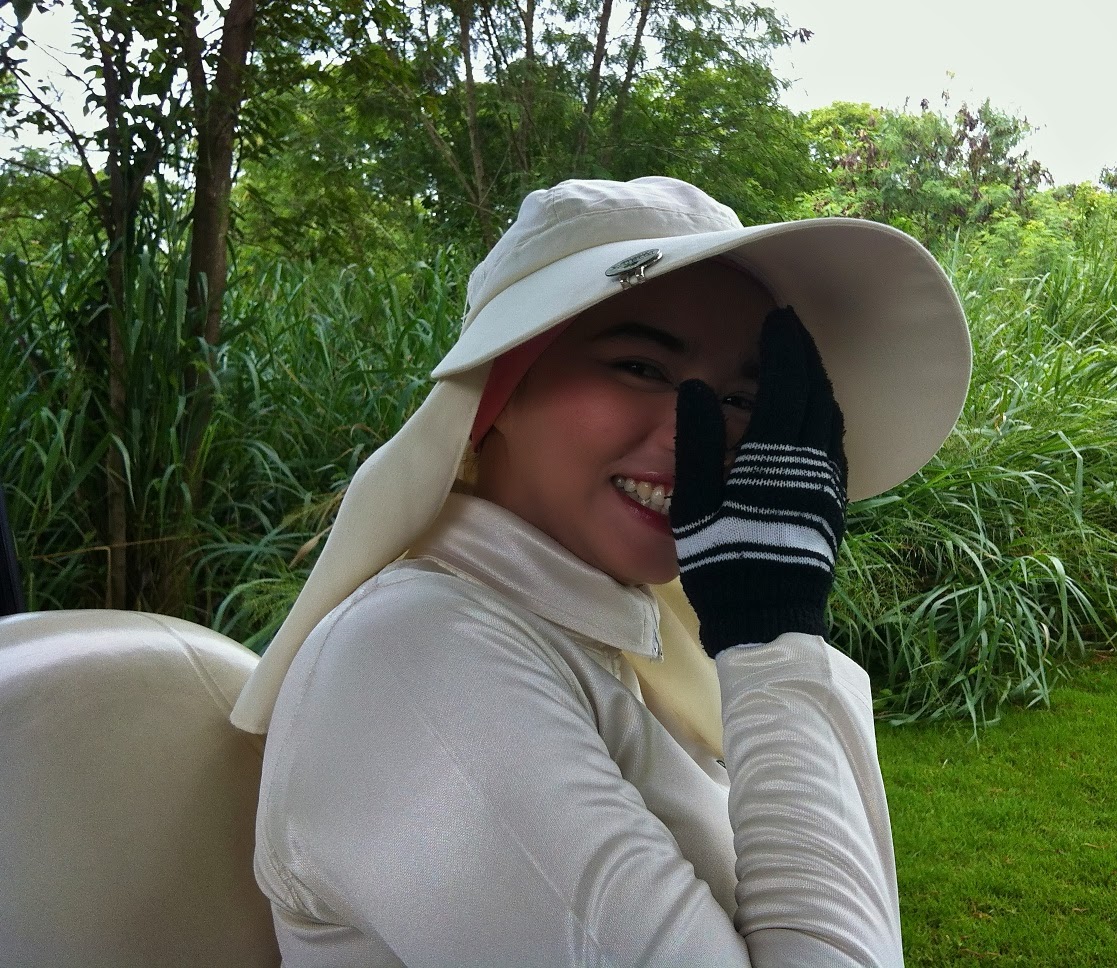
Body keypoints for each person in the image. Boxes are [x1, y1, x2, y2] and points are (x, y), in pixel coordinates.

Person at [230, 176, 971, 966]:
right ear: (500, 390)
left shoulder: (612, 639)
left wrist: (766, 632)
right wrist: (775, 635)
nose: (701, 431)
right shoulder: (413, 659)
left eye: (742, 397)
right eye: (642, 367)